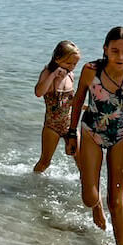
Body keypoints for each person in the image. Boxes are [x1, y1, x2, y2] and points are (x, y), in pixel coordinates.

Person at [65, 26, 123, 245]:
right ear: (105, 49)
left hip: (120, 137)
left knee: (117, 200)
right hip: (91, 133)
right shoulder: (90, 71)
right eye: (115, 51)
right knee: (88, 197)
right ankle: (96, 206)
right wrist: (72, 133)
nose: (120, 57)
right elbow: (77, 102)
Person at [33, 39, 81, 172]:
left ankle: (87, 188)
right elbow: (38, 92)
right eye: (68, 63)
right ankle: (32, 184)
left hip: (70, 125)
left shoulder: (70, 75)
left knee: (81, 161)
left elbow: (70, 101)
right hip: (52, 126)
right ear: (57, 59)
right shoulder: (47, 73)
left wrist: (87, 108)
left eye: (75, 64)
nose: (71, 66)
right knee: (45, 162)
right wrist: (54, 75)